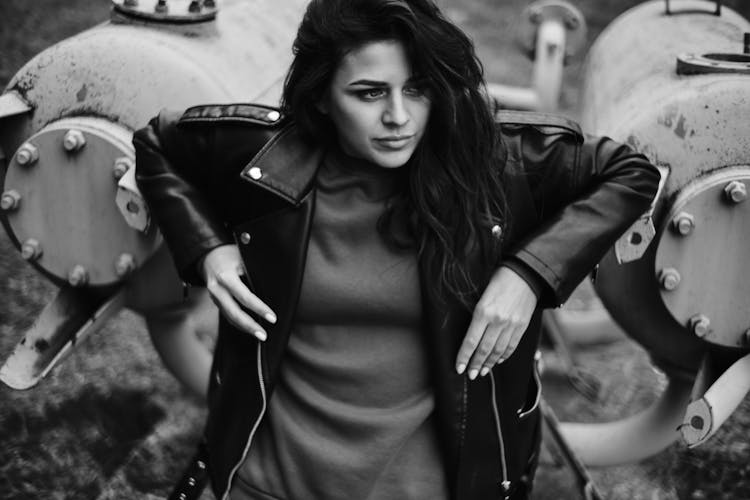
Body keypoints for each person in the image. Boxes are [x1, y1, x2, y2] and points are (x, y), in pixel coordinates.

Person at [133, 0, 660, 498]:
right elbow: (157, 144)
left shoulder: (492, 163)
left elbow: (630, 172)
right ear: (320, 95)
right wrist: (210, 250)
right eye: (368, 93)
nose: (399, 117)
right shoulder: (263, 155)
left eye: (417, 89)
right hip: (267, 481)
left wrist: (528, 275)